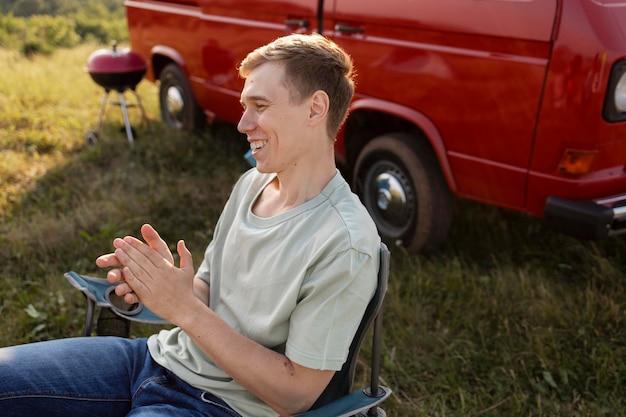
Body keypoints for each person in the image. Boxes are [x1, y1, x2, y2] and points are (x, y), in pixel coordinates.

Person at [0, 33, 380, 417]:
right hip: (153, 360)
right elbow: (209, 292)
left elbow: (296, 394)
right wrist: (162, 285)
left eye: (260, 106)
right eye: (245, 106)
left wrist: (184, 309)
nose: (243, 123)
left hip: (221, 407)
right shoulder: (253, 184)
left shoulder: (344, 241)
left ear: (316, 109)